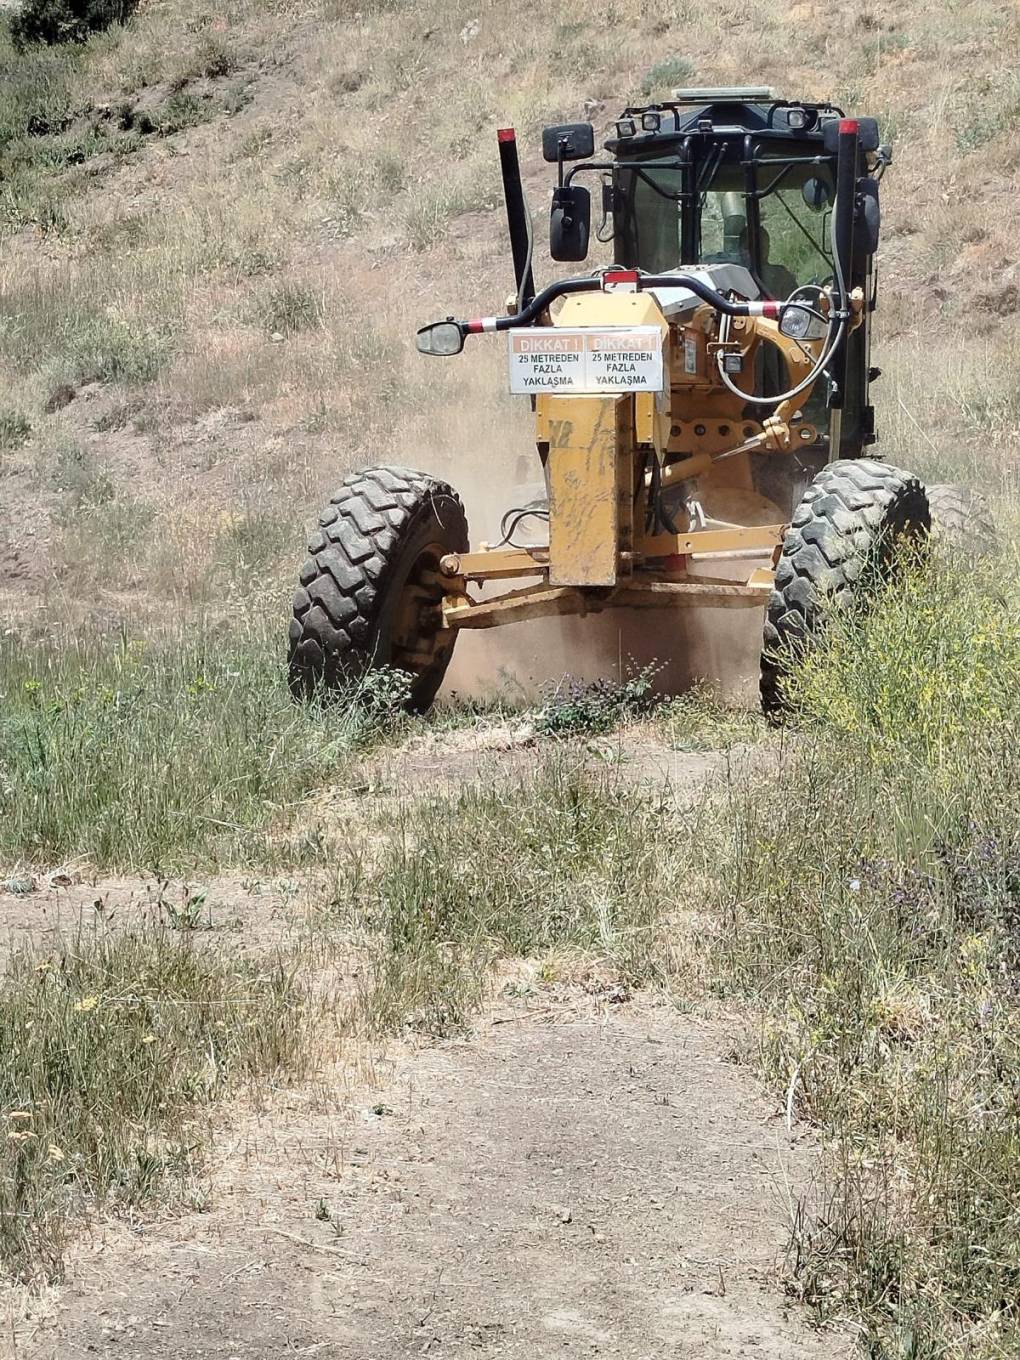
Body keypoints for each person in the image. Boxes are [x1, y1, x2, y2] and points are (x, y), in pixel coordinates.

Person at [738, 226, 798, 300]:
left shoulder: (782, 277)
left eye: (760, 247)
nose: (754, 252)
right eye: (748, 248)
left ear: (767, 248)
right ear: (740, 250)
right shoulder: (732, 278)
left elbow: (794, 306)